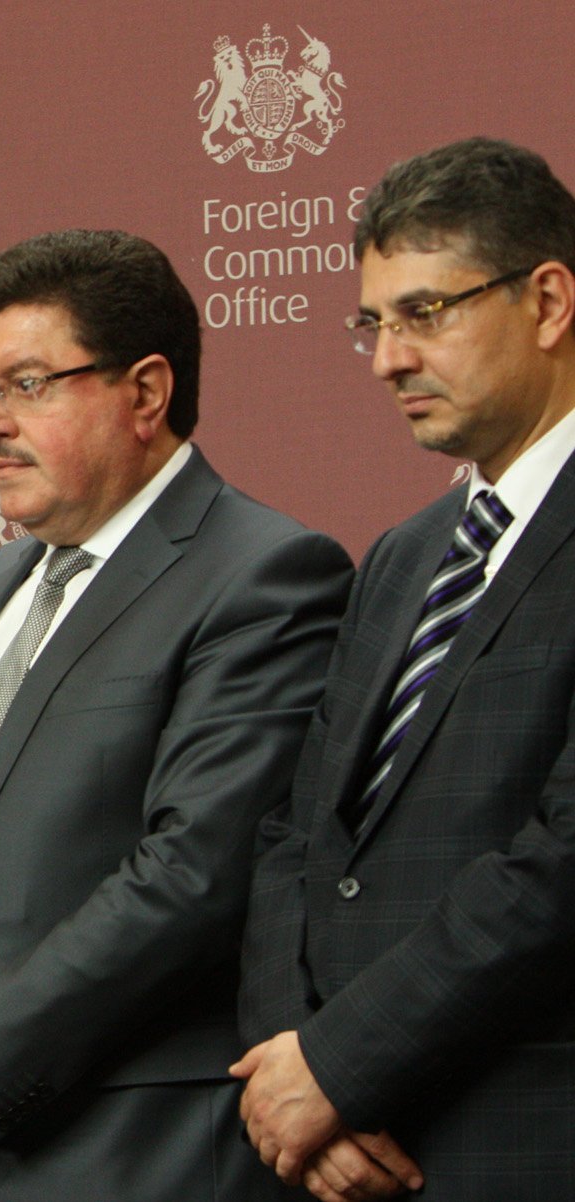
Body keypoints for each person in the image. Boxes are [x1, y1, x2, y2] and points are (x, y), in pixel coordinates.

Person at [0, 229, 352, 1201]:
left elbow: (191, 876)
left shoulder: (265, 575)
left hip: (133, 1153)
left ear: (145, 392)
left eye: (26, 384)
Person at [237, 137, 575, 1202]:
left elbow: (564, 859)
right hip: (340, 1156)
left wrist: (341, 1065)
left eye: (425, 313)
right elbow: (299, 836)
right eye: (371, 324)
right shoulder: (402, 556)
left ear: (550, 300)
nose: (387, 359)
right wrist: (295, 1069)